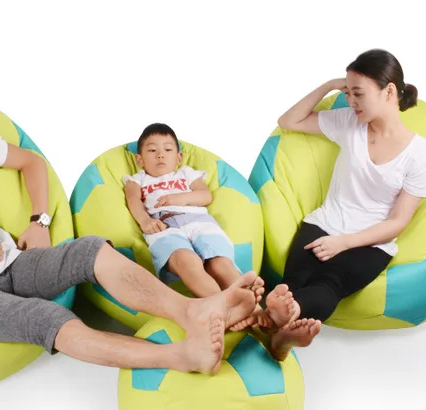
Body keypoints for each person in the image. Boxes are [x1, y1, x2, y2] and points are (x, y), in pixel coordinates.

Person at [0, 60, 265, 377]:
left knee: (89, 250)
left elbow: (31, 162)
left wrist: (40, 220)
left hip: (8, 260)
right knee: (46, 319)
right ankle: (181, 356)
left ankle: (193, 312)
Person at [236, 48, 426, 360]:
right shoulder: (349, 123)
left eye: (358, 93)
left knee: (330, 284)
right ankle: (280, 336)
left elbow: (398, 222)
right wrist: (329, 85)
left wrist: (343, 243)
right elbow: (288, 121)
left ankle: (278, 322)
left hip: (371, 242)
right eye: (348, 92)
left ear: (388, 92)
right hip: (324, 222)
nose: (350, 101)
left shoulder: (421, 155)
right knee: (291, 285)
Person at [123, 123, 307, 347]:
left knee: (219, 264)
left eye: (168, 149)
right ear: (140, 160)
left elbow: (204, 196)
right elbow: (133, 201)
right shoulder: (137, 179)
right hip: (164, 225)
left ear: (178, 157)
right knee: (187, 262)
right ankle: (227, 310)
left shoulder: (186, 173)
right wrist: (145, 221)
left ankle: (259, 315)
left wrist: (178, 198)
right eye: (152, 150)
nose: (160, 154)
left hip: (199, 221)